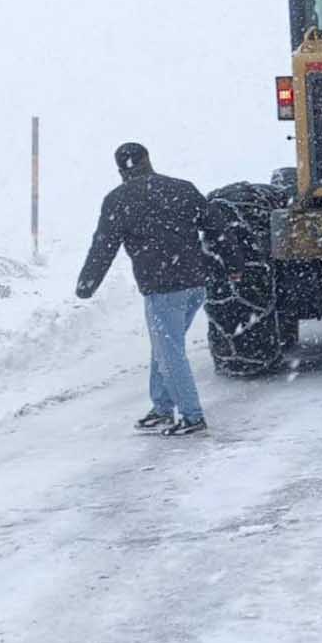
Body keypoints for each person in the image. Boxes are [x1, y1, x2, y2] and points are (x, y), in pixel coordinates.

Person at [76, 142, 218, 436]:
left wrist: (87, 284)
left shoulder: (118, 200)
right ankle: (163, 408)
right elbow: (216, 226)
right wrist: (234, 264)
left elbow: (103, 246)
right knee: (166, 344)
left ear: (120, 169)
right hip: (195, 283)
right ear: (148, 160)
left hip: (163, 287)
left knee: (169, 351)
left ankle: (192, 416)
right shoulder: (182, 188)